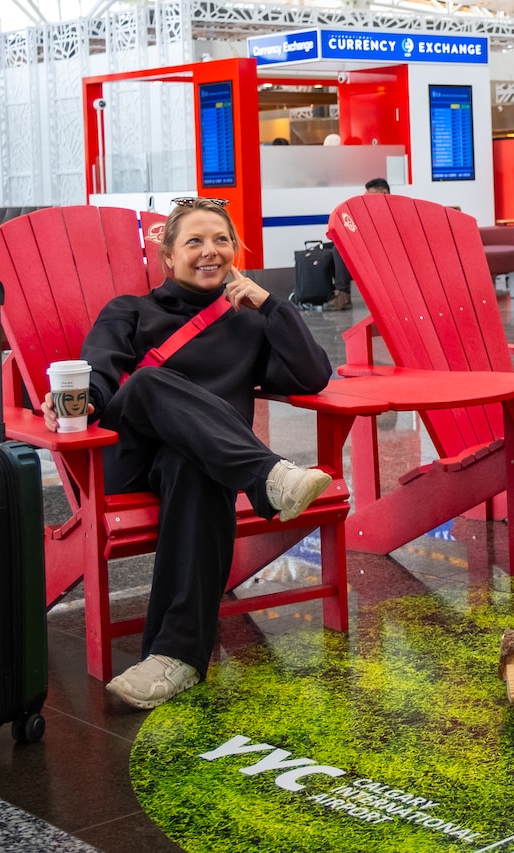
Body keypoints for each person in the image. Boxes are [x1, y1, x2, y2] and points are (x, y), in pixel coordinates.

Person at [78, 198, 335, 709]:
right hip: (125, 458)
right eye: (193, 241)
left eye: (220, 240)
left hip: (205, 465)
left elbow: (313, 376)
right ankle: (269, 477)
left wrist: (273, 307)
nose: (209, 251)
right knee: (152, 382)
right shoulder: (130, 311)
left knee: (195, 467)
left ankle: (175, 660)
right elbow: (98, 378)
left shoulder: (250, 322)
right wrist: (78, 398)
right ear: (168, 256)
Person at [328, 179, 392, 310]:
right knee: (337, 249)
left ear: (384, 193)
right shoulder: (368, 213)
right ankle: (339, 294)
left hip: (385, 254)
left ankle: (343, 295)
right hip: (369, 252)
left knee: (340, 251)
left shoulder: (393, 211)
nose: (367, 200)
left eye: (370, 196)